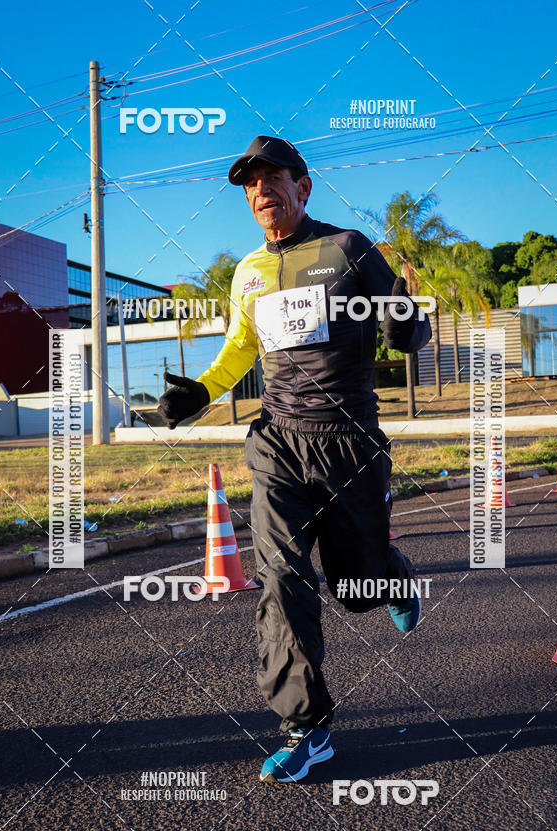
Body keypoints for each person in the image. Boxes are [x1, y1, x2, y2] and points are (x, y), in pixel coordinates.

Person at [158, 135, 432, 784]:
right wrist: (200, 390)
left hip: (349, 442)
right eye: (250, 184)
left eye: (271, 178)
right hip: (278, 441)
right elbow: (238, 349)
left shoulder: (347, 248)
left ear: (303, 187)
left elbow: (410, 329)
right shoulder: (248, 272)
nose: (260, 191)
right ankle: (307, 728)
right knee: (281, 578)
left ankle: (389, 574)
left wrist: (402, 325)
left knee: (355, 587)